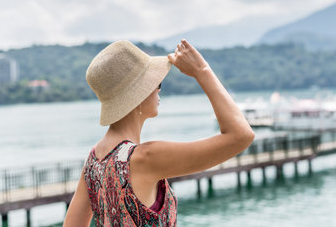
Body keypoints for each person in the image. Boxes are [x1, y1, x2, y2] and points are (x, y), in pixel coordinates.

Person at [63, 39, 255, 227]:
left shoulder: (94, 160)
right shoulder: (146, 158)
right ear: (138, 95)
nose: (158, 90)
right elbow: (241, 135)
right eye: (156, 85)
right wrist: (202, 70)